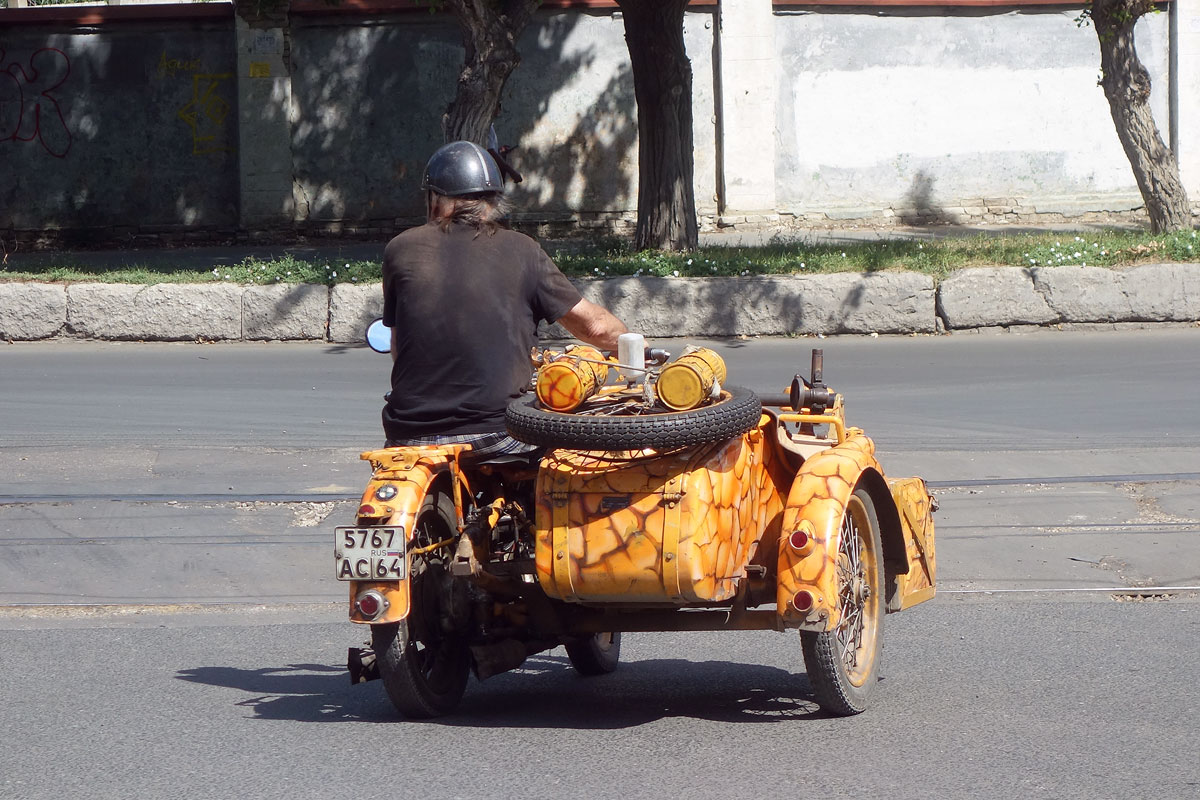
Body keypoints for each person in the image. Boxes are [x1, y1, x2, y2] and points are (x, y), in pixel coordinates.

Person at [380, 140, 628, 458]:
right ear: (493, 203)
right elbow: (594, 328)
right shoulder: (523, 250)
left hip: (409, 436)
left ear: (434, 200)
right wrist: (637, 346)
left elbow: (399, 347)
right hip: (498, 433)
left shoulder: (399, 249)